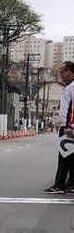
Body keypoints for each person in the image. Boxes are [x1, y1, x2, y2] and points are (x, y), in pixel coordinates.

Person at [44, 61, 74, 194]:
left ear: (70, 71)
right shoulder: (69, 86)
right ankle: (69, 184)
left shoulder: (73, 86)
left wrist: (71, 126)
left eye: (63, 72)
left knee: (64, 157)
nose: (61, 75)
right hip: (66, 126)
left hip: (68, 127)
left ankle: (60, 185)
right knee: (68, 157)